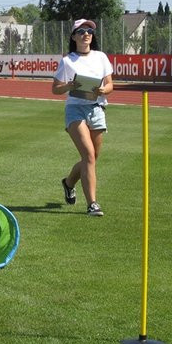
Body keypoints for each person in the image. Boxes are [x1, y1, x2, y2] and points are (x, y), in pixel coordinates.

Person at [52, 19, 114, 217]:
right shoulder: (68, 61)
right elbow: (55, 89)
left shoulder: (101, 57)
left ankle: (69, 182)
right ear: (73, 37)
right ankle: (92, 204)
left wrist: (104, 89)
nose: (86, 34)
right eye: (81, 31)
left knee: (93, 157)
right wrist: (69, 86)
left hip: (96, 108)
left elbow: (110, 85)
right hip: (75, 108)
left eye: (89, 31)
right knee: (88, 155)